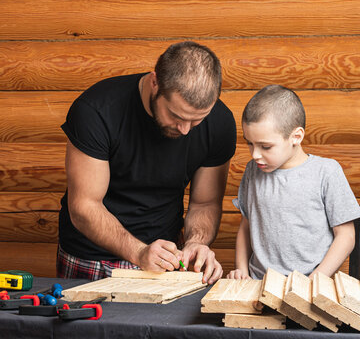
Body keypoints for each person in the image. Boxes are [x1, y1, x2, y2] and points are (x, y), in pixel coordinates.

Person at [58, 41, 236, 284]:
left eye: (197, 121)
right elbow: (85, 207)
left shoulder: (220, 122)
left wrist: (196, 243)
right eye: (176, 116)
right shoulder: (96, 110)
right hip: (93, 257)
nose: (185, 130)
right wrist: (139, 252)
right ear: (155, 83)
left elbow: (205, 203)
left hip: (166, 259)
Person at [227, 85, 360, 280]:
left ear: (296, 137)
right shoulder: (252, 170)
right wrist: (241, 270)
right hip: (258, 283)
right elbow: (246, 225)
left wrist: (316, 279)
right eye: (249, 143)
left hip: (310, 285)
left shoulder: (326, 172)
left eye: (265, 146)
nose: (255, 154)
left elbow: (346, 236)